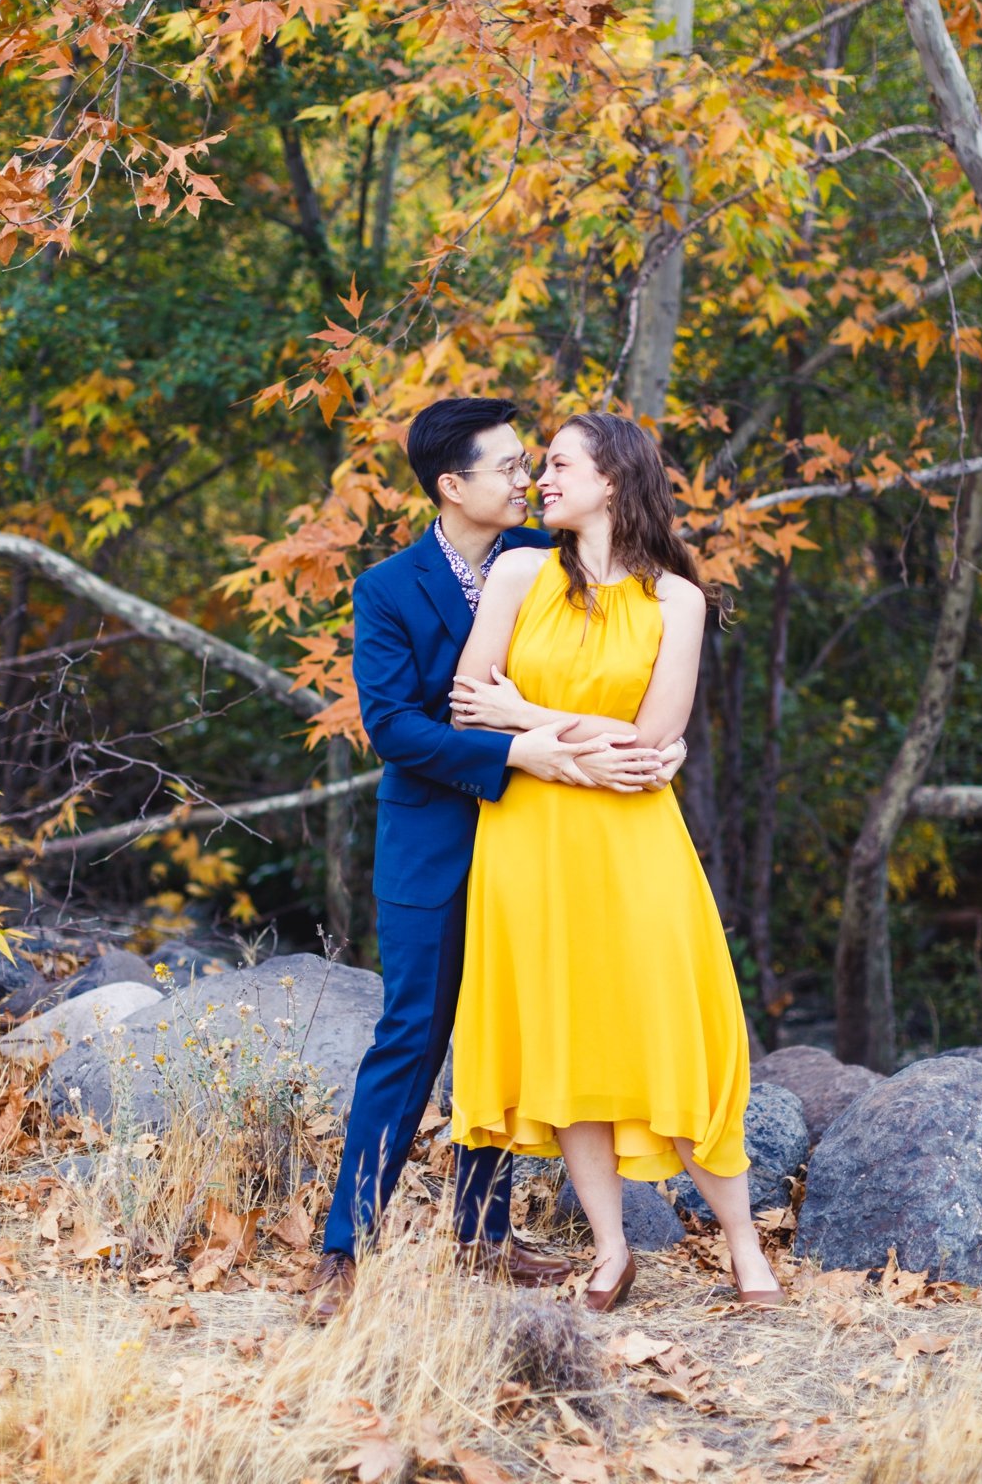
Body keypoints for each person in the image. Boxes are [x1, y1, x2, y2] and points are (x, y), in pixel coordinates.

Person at [303, 398, 681, 1322]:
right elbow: (394, 728)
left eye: (534, 464)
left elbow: (624, 679)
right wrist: (523, 752)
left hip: (548, 840)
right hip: (435, 841)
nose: (528, 478)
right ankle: (345, 1247)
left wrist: (653, 749)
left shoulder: (552, 570)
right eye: (510, 467)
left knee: (509, 1034)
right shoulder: (389, 590)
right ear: (452, 486)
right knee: (415, 1033)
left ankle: (484, 1233)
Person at [446, 411, 782, 1311]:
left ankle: (746, 1253)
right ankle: (609, 1251)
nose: (539, 481)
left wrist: (533, 716)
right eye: (539, 467)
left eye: (557, 465)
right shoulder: (518, 571)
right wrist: (543, 730)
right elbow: (469, 705)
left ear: (613, 481)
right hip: (531, 840)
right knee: (567, 1037)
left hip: (635, 844)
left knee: (676, 1034)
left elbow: (654, 741)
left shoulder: (678, 599)